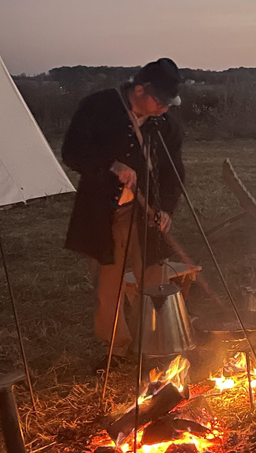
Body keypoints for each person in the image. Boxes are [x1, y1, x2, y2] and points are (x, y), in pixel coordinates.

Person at [62, 58, 185, 364]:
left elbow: (174, 172)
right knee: (109, 282)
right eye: (159, 101)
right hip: (105, 211)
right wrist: (110, 165)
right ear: (140, 89)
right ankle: (115, 347)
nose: (164, 108)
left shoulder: (165, 125)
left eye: (168, 103)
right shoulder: (98, 107)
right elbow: (72, 152)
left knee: (154, 277)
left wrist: (166, 210)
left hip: (147, 212)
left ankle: (154, 343)